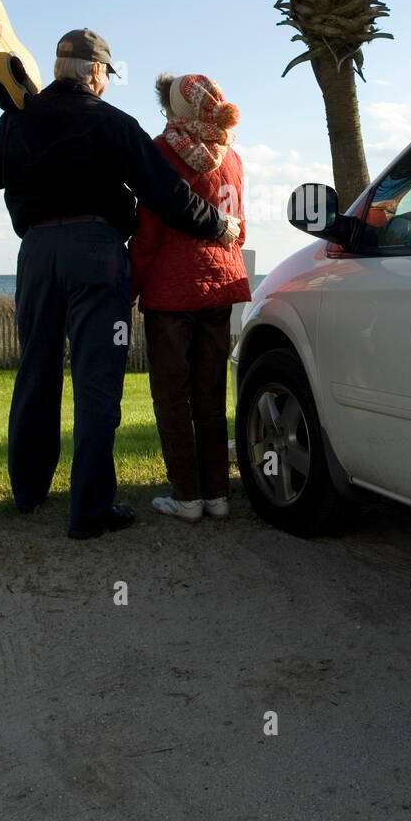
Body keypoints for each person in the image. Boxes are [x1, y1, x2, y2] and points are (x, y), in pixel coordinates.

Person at [0, 30, 240, 540]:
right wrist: (218, 225)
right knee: (97, 381)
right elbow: (164, 194)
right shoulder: (113, 123)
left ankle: (28, 492)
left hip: (36, 254)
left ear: (56, 69)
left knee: (36, 369)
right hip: (97, 254)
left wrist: (13, 116)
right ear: (96, 74)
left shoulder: (19, 115)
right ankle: (90, 509)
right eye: (107, 75)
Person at [129, 73, 251, 522]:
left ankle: (186, 496)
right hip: (221, 284)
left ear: (177, 110)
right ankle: (217, 494)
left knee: (171, 395)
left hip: (171, 288)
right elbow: (239, 222)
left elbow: (149, 228)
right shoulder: (232, 156)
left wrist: (131, 284)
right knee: (210, 392)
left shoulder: (163, 152)